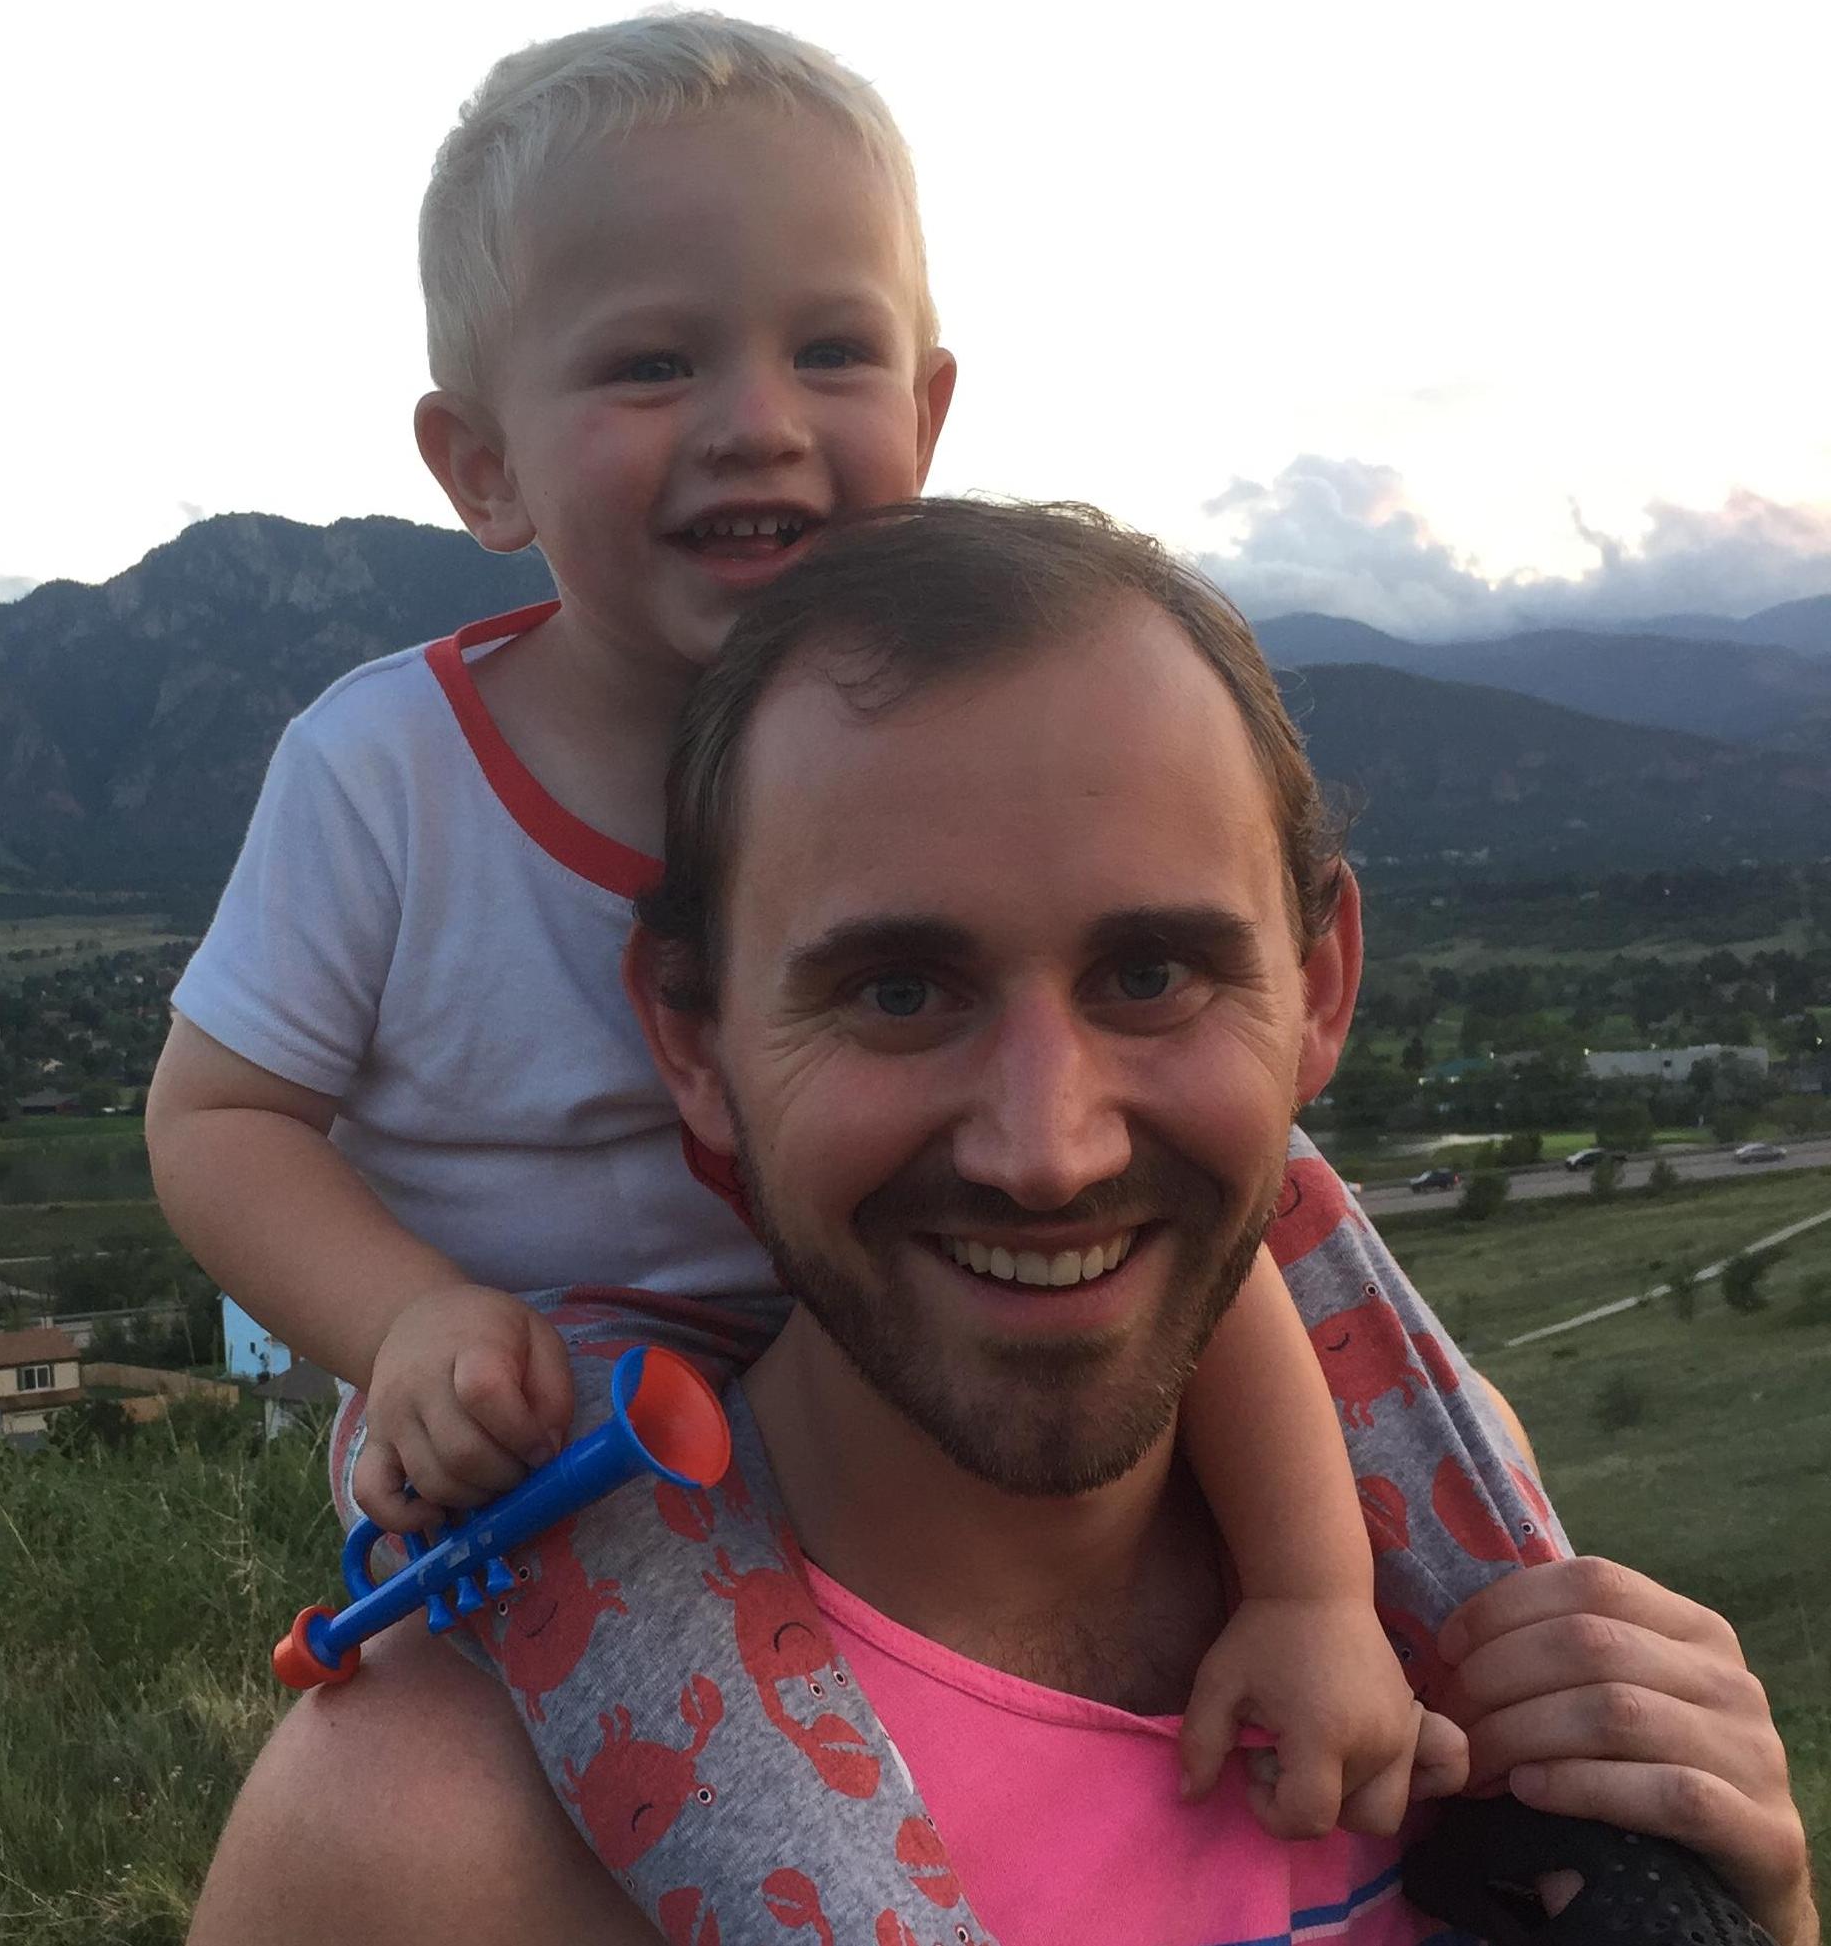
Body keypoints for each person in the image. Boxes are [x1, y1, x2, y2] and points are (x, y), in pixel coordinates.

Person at [152, 14, 1530, 1932]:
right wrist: (407, 1323)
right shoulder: (386, 775)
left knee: (1258, 1199)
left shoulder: (959, 744)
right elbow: (216, 1116)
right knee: (685, 1672)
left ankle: (1552, 1761)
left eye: (829, 350)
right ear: (481, 461)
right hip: (569, 1401)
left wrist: (1306, 1593)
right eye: (654, 362)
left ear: (930, 412)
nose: (757, 420)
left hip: (873, 1338)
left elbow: (1178, 1225)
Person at [188, 501, 1816, 1946]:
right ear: (689, 1035)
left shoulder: (1454, 1579)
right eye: (899, 991)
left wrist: (1752, 1915)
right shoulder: (429, 1848)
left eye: (1149, 974)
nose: (1046, 1151)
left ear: (1318, 987)